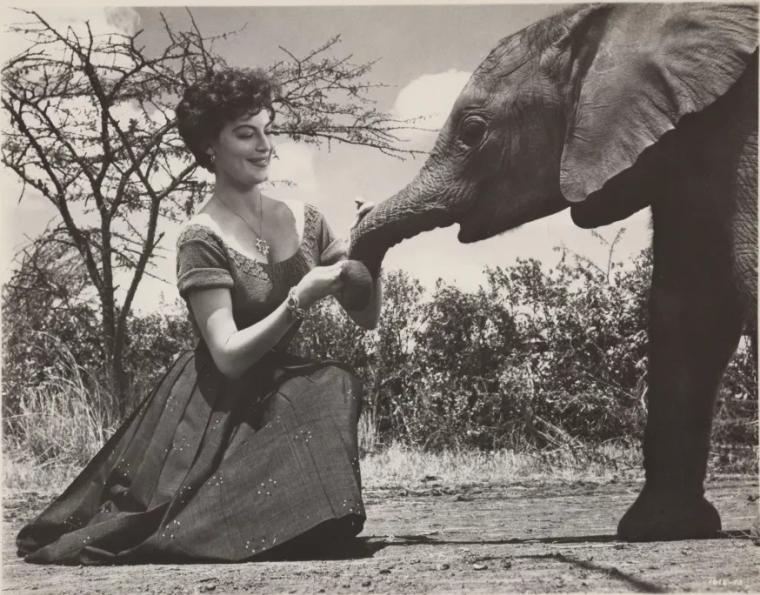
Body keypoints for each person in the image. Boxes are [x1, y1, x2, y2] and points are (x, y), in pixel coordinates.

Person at [16, 67, 382, 564]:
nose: (263, 146)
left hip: (280, 384)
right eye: (245, 133)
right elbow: (228, 356)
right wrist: (298, 298)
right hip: (215, 403)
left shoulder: (307, 218)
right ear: (211, 146)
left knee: (334, 382)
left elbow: (366, 318)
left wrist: (373, 248)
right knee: (162, 522)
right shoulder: (200, 236)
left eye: (268, 130)